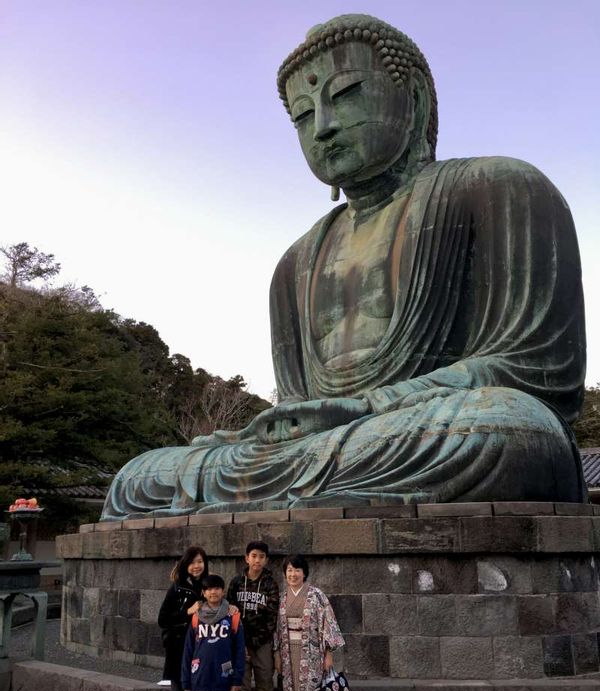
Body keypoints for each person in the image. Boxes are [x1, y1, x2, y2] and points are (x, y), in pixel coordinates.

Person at [101, 12, 586, 520]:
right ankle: (288, 494)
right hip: (335, 447)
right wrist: (279, 430)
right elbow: (294, 407)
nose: (324, 128)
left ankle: (293, 494)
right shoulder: (296, 262)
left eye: (347, 94)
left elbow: (536, 373)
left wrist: (368, 407)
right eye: (304, 117)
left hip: (431, 428)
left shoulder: (501, 188)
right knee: (140, 476)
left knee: (512, 431)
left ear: (415, 99)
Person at [274, 554, 344, 691]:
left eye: (297, 570)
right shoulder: (283, 597)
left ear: (304, 573)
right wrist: (277, 654)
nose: (293, 574)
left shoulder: (316, 596)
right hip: (288, 654)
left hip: (311, 653)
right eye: (289, 570)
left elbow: (328, 624)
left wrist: (328, 654)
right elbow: (277, 629)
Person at [227, 541, 280, 691]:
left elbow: (272, 618)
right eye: (254, 556)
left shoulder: (270, 584)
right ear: (246, 558)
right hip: (239, 647)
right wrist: (242, 646)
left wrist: (253, 644)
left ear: (266, 560)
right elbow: (229, 615)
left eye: (262, 557)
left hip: (263, 646)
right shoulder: (237, 583)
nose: (257, 560)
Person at [157, 546, 207, 691]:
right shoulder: (177, 588)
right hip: (179, 652)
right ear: (186, 564)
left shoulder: (207, 587)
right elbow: (163, 619)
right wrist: (188, 611)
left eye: (200, 561)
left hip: (201, 652)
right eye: (193, 562)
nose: (197, 566)